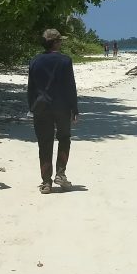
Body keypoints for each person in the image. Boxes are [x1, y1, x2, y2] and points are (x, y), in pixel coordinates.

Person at [27, 29, 79, 194]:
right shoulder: (65, 61)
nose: (61, 43)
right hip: (62, 107)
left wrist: (32, 108)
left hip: (41, 108)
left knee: (44, 143)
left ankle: (46, 182)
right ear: (56, 42)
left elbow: (31, 88)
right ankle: (60, 173)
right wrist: (75, 108)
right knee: (64, 138)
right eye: (60, 41)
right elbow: (70, 86)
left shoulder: (34, 61)